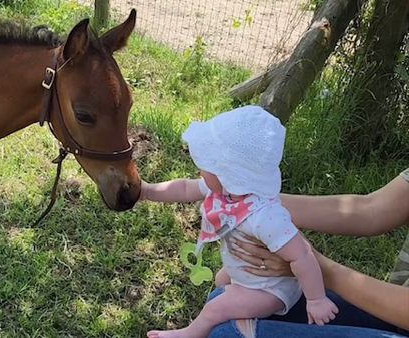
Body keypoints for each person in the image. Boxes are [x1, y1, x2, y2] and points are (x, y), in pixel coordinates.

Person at [140, 106, 338, 338]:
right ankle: (234, 301)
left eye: (207, 165)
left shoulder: (264, 216)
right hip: (250, 276)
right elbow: (184, 188)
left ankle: (190, 333)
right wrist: (146, 191)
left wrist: (316, 300)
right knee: (221, 279)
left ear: (228, 174)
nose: (200, 170)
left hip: (271, 290)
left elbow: (302, 254)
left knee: (216, 308)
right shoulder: (224, 192)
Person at [206, 168, 409, 338]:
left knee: (228, 334)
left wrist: (313, 266)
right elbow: (372, 209)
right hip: (394, 312)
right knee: (223, 302)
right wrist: (249, 203)